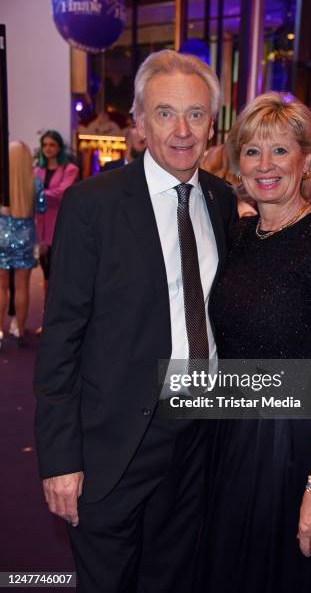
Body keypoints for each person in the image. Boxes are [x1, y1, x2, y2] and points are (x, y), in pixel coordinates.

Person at [34, 50, 236, 592]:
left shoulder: (221, 200)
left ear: (211, 123)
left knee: (174, 577)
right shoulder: (90, 206)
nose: (182, 130)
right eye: (165, 113)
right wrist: (59, 458)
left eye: (196, 114)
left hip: (198, 436)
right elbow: (62, 338)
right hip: (113, 445)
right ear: (140, 121)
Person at [197, 92, 311, 592]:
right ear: (237, 164)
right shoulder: (243, 236)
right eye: (252, 151)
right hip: (229, 439)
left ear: (307, 160)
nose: (264, 165)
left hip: (291, 450)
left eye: (280, 151)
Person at [0, 142, 46, 348]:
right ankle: (19, 329)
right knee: (21, 287)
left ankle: (0, 331)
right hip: (25, 237)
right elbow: (42, 206)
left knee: (1, 287)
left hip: (1, 236)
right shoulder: (34, 181)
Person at [34, 130, 79, 305]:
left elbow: (62, 193)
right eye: (45, 145)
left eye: (52, 144)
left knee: (58, 276)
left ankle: (57, 315)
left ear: (59, 147)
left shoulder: (70, 169)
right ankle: (46, 315)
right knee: (46, 274)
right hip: (40, 228)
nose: (48, 148)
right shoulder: (37, 170)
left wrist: (38, 194)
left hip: (60, 226)